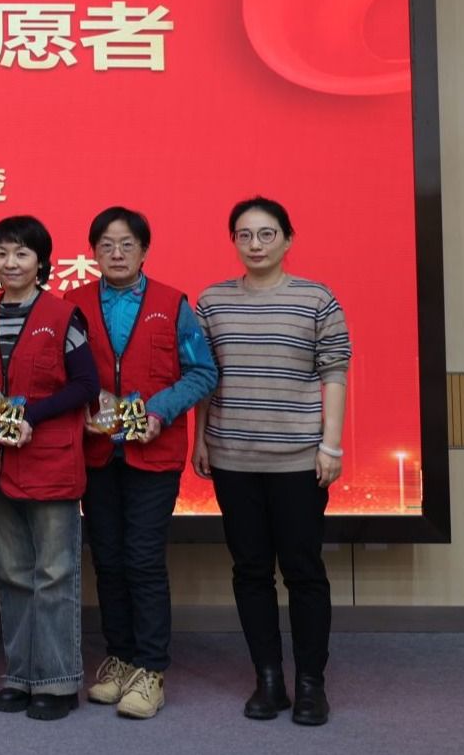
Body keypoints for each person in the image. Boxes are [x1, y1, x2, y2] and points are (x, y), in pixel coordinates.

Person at [193, 196, 349, 728]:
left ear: (287, 239)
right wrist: (201, 439)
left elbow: (335, 372)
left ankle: (310, 684)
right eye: (244, 235)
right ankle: (268, 680)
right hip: (233, 458)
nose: (255, 244)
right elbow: (204, 377)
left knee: (304, 572)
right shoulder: (212, 301)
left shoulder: (316, 299)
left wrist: (331, 445)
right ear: (233, 241)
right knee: (250, 571)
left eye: (266, 234)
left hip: (299, 460)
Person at [72, 207, 216, 720]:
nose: (116, 253)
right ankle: (120, 658)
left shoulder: (173, 304)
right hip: (95, 455)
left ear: (144, 250)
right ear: (93, 252)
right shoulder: (72, 306)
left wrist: (159, 411)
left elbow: (202, 373)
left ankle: (151, 670)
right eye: (106, 245)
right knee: (107, 560)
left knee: (143, 560)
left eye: (127, 244)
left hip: (153, 454)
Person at [0, 215, 98, 722]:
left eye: (22, 253)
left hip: (50, 461)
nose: (11, 262)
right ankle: (20, 675)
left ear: (41, 261)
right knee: (13, 573)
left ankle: (58, 681)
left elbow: (85, 385)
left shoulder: (64, 316)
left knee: (54, 573)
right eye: (1, 253)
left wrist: (30, 417)